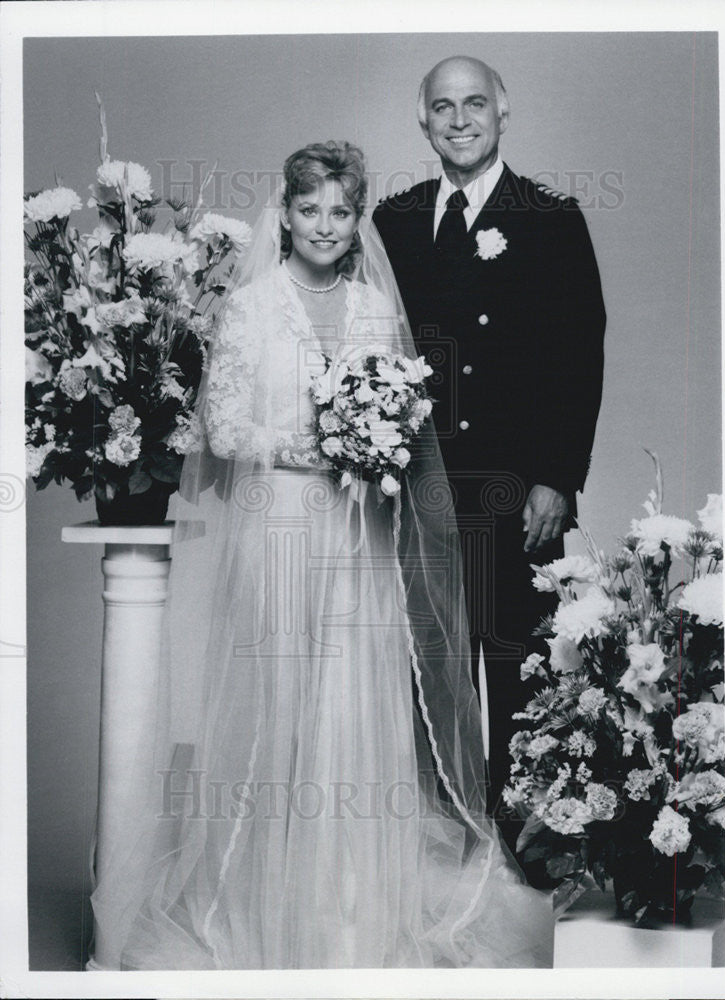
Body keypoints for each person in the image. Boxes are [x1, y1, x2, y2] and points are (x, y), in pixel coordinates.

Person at [87, 140, 554, 969]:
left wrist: (376, 439)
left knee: (358, 693)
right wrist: (315, 440)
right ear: (287, 214)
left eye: (342, 211)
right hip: (282, 528)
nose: (325, 226)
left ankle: (355, 890)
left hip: (361, 533)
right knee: (286, 697)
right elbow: (221, 429)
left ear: (357, 218)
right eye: (310, 210)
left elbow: (408, 418)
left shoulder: (376, 308)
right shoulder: (253, 308)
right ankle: (271, 890)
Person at [373, 57, 606, 844]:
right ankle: (438, 846)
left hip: (515, 487)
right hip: (417, 490)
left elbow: (580, 353)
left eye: (475, 103)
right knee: (425, 672)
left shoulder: (547, 214)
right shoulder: (394, 219)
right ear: (423, 119)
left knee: (517, 668)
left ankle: (523, 848)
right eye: (443, 106)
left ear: (503, 113)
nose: (460, 119)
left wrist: (556, 478)